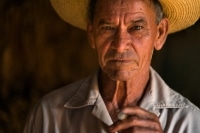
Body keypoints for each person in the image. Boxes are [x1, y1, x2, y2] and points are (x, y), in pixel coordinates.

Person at [24, 0, 200, 132]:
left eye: (137, 27)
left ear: (160, 33)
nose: (120, 44)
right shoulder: (48, 115)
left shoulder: (190, 122)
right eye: (108, 27)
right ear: (91, 34)